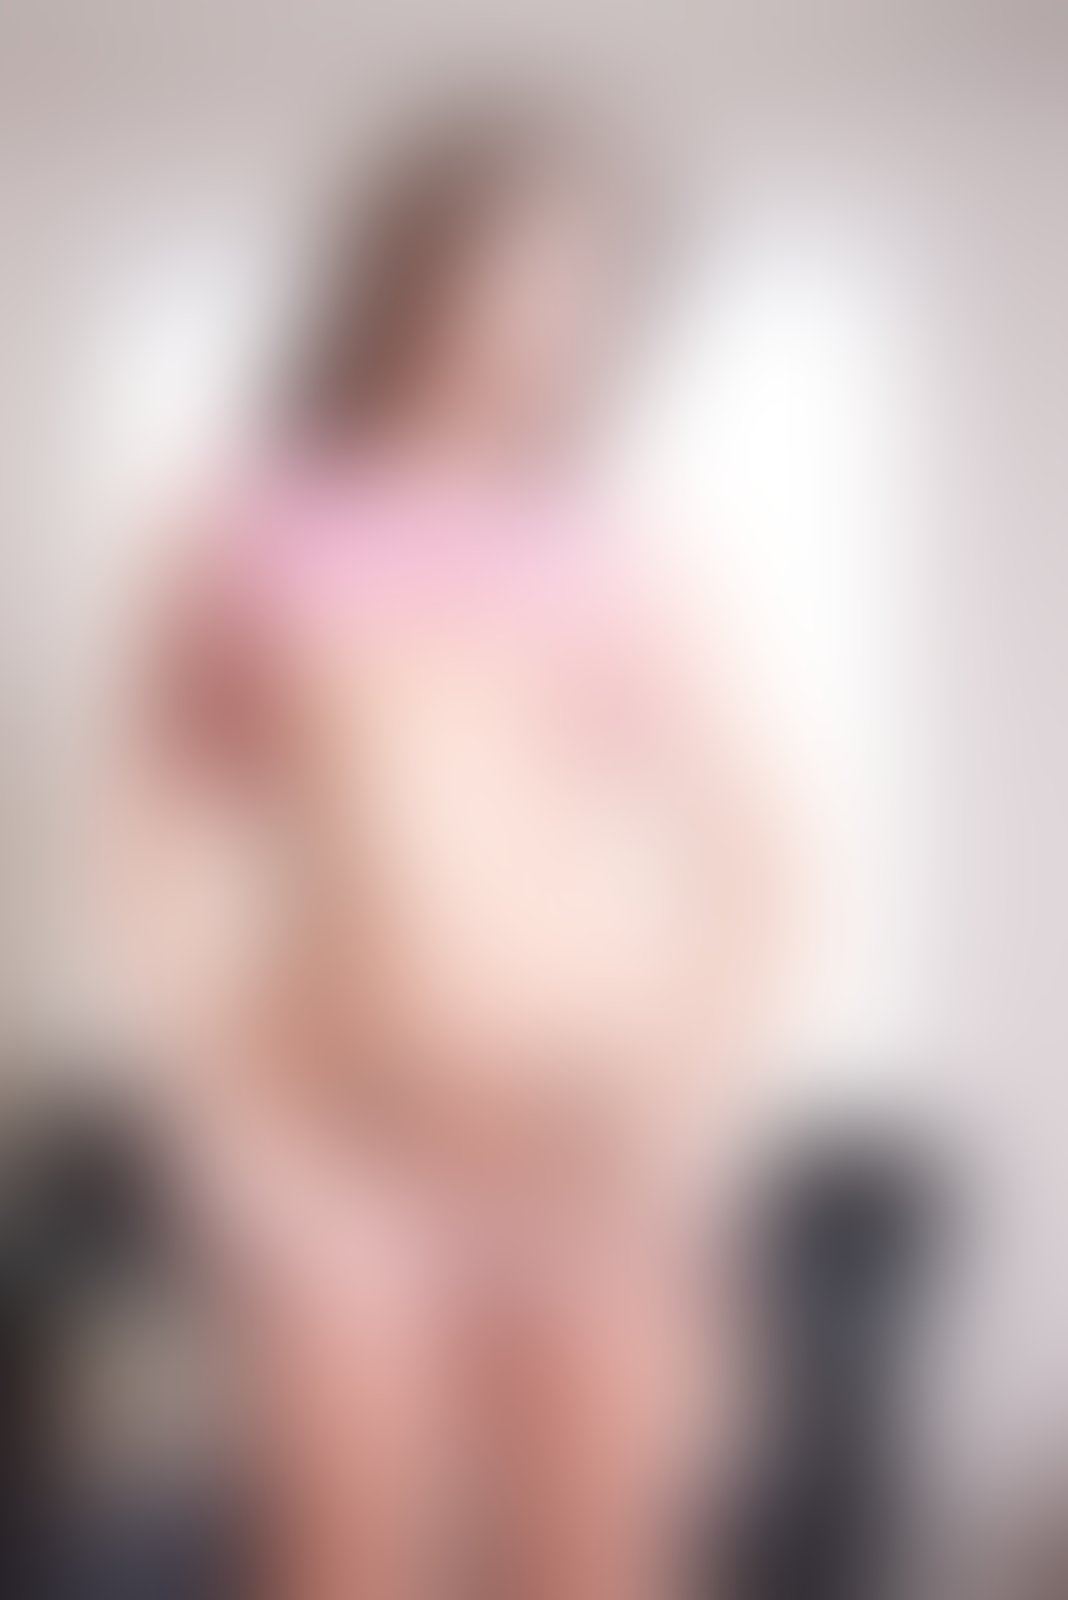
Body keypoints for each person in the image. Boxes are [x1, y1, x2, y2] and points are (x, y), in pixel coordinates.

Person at [113, 110, 794, 1600]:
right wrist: (223, 1128)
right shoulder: (254, 527)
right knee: (345, 1568)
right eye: (506, 272)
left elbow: (761, 853)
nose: (536, 320)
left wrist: (696, 1095)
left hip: (587, 1135)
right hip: (342, 1142)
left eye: (579, 289)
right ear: (407, 274)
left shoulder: (609, 547)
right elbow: (149, 840)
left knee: (600, 1570)